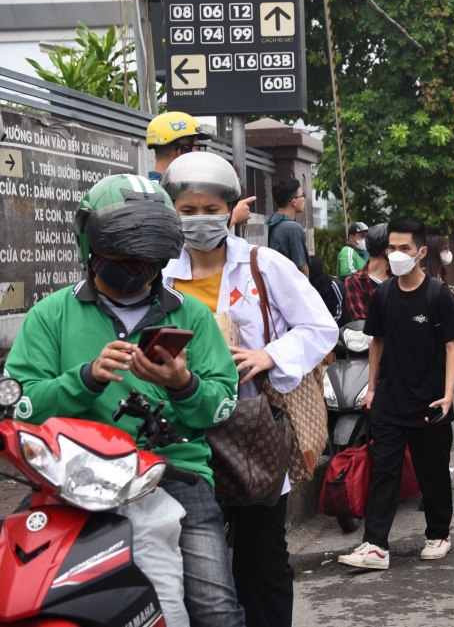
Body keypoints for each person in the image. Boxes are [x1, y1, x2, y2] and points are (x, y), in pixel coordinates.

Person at [4, 173, 245, 627]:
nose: (136, 268)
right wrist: (86, 379)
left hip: (174, 473)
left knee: (215, 608)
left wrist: (183, 383)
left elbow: (221, 404)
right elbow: (21, 404)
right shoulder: (50, 315)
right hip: (69, 476)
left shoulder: (190, 315)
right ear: (89, 248)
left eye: (148, 259)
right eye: (122, 258)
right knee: (23, 587)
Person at [161, 153, 337, 627]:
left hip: (252, 428)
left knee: (262, 558)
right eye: (188, 210)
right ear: (171, 211)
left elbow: (321, 328)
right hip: (183, 433)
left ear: (232, 208)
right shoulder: (158, 274)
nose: (200, 220)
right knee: (193, 558)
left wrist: (269, 356)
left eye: (211, 209)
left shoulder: (263, 264)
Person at [339, 217, 454, 569]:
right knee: (384, 471)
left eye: (404, 248)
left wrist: (449, 395)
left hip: (431, 399)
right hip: (391, 398)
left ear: (421, 252)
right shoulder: (384, 294)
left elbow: (453, 347)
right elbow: (377, 340)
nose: (396, 254)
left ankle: (438, 533)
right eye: (391, 247)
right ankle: (375, 545)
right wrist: (372, 388)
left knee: (432, 471)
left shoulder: (438, 294)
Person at [146, 111, 252, 226]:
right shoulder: (165, 195)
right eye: (196, 147)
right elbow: (186, 241)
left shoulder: (144, 192)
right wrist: (232, 217)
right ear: (182, 151)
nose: (198, 154)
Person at [342, 223, 391, 323]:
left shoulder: (400, 277)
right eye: (395, 247)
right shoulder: (354, 282)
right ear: (387, 250)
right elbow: (362, 324)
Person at [266, 179, 309, 278]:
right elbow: (302, 267)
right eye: (302, 195)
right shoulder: (293, 228)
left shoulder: (270, 222)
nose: (303, 199)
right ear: (294, 202)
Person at [308, 254, 346, 324]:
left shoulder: (333, 285)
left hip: (336, 326)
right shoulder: (306, 287)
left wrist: (328, 328)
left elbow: (340, 311)